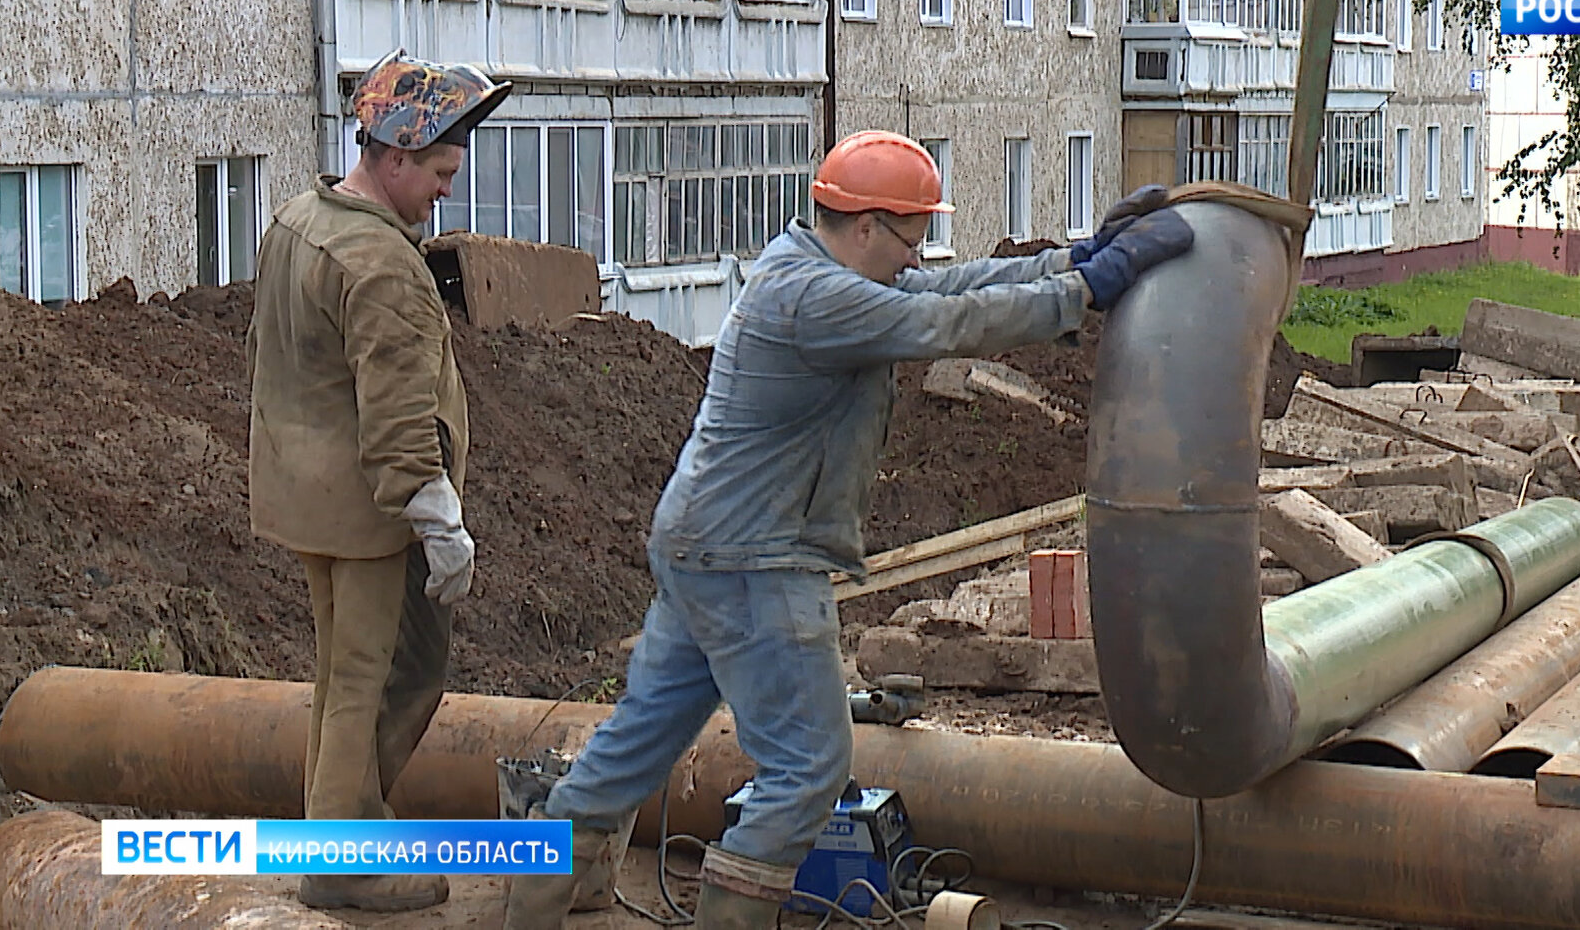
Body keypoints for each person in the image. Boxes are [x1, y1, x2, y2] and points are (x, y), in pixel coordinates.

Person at [502, 131, 1191, 929]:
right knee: (806, 768)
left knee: (629, 751)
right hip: (754, 558)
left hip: (705, 543)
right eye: (909, 237)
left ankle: (532, 906)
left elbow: (944, 291)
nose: (915, 255)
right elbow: (950, 324)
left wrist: (1072, 261)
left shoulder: (813, 271)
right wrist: (1087, 291)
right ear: (864, 225)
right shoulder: (816, 300)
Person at [246, 48, 511, 913]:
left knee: (339, 677)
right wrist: (438, 517)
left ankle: (348, 824)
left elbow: (280, 365)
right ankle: (344, 862)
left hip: (306, 497)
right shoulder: (385, 265)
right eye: (438, 171)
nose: (446, 190)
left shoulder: (296, 220)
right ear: (392, 156)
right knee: (376, 679)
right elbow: (398, 415)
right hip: (368, 510)